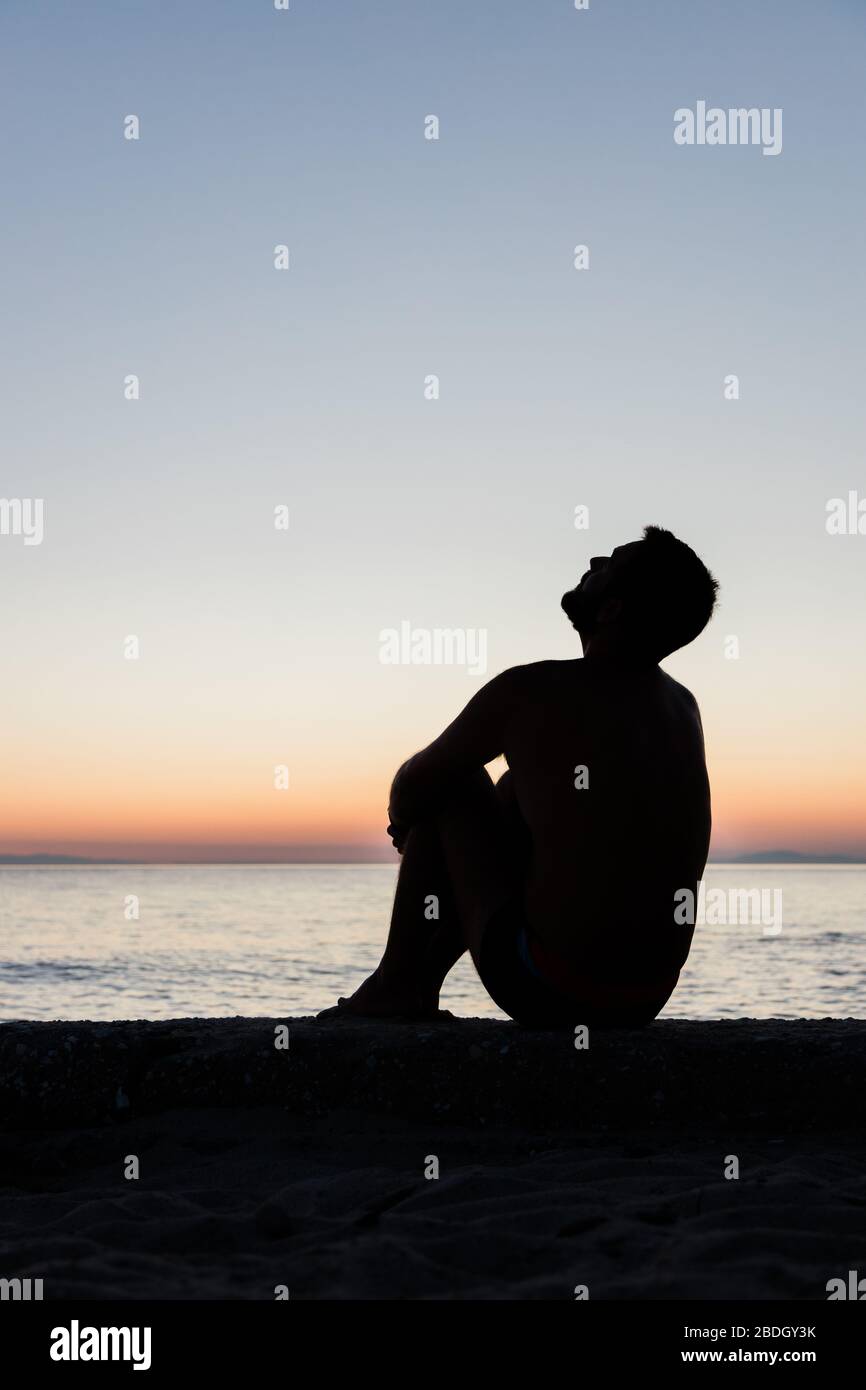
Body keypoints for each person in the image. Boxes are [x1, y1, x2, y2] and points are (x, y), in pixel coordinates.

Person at [320, 526, 718, 1028]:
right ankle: (413, 985)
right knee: (512, 791)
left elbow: (413, 789)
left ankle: (396, 985)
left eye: (609, 562)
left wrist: (413, 827)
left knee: (456, 783)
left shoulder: (530, 690)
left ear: (613, 608)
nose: (594, 559)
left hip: (553, 990)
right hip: (644, 999)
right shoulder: (683, 707)